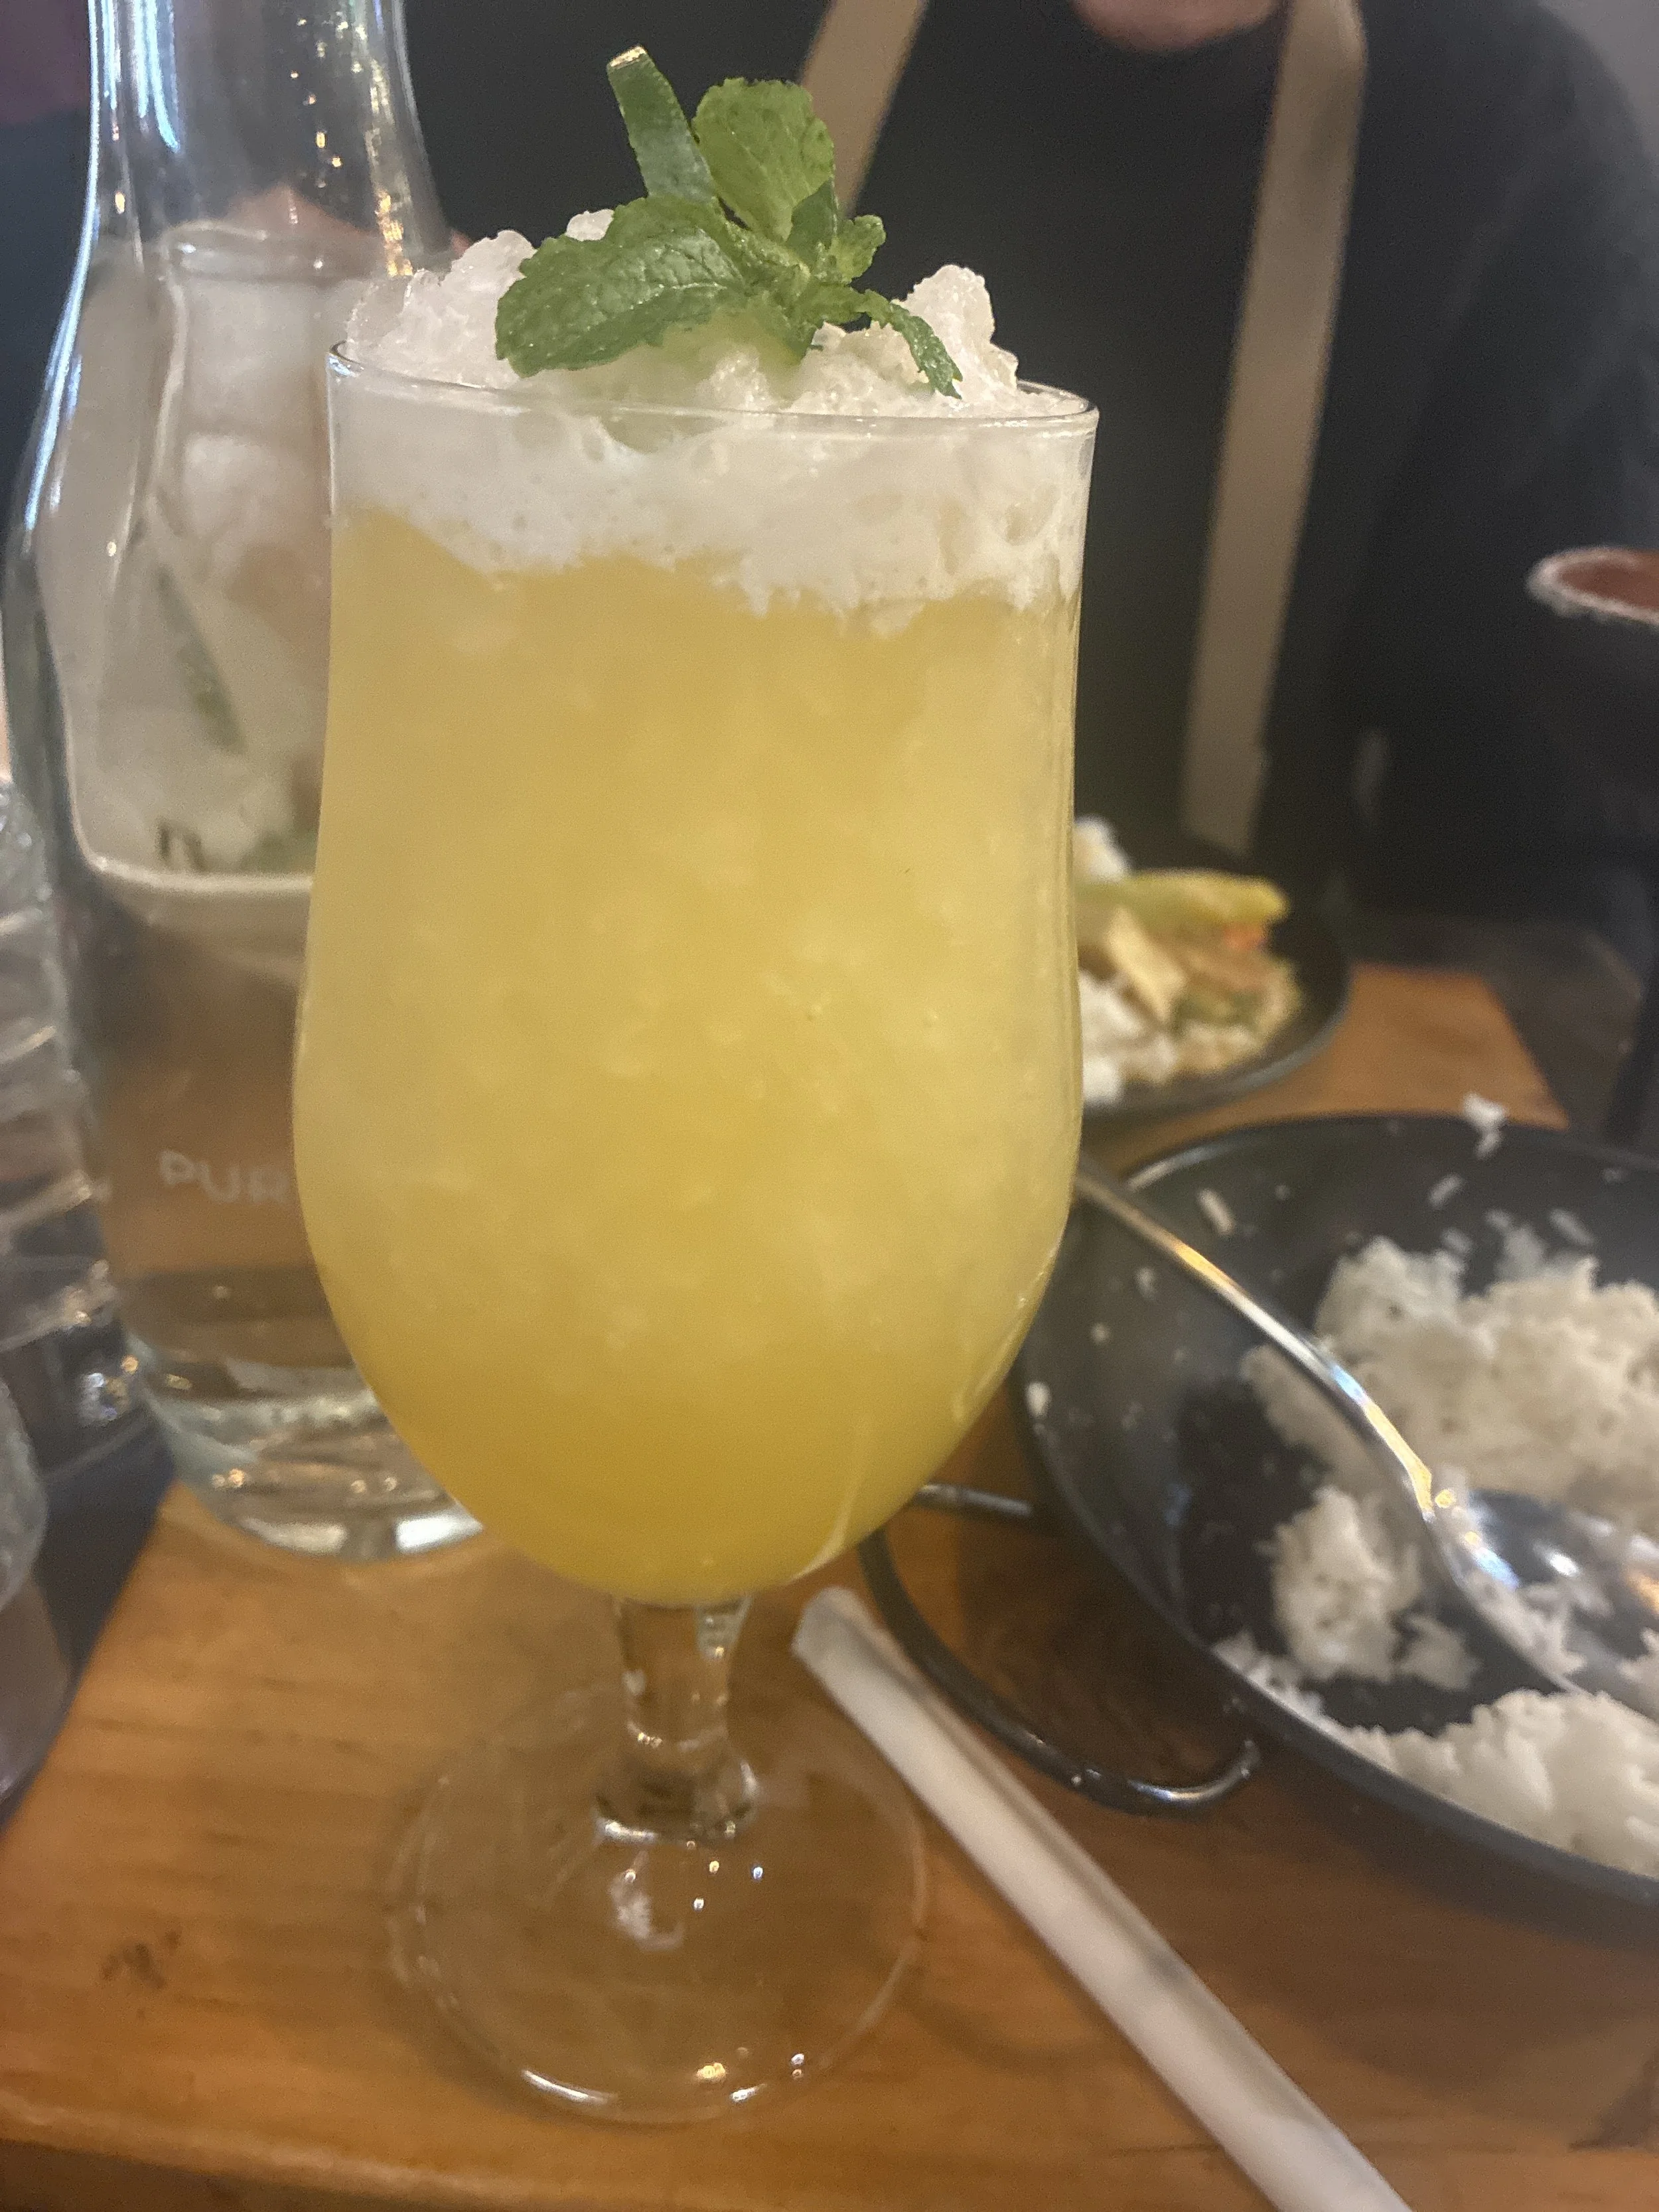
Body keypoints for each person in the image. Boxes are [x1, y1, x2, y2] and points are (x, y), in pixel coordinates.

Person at [407, 3, 1659, 966]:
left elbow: (1549, 878)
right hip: (605, 977)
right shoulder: (610, 33)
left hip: (1192, 1084)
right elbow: (345, 186)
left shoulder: (1523, 153)